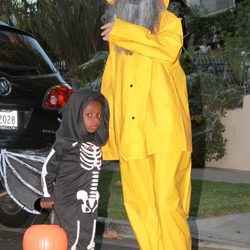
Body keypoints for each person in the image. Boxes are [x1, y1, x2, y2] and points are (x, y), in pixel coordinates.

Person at [100, 0, 192, 249]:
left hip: (166, 133)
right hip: (131, 135)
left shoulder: (169, 23)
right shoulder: (116, 36)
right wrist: (104, 131)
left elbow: (168, 51)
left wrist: (125, 32)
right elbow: (111, 84)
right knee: (140, 205)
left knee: (168, 202)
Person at [40, 89, 109, 250]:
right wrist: (46, 194)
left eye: (99, 116)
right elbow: (47, 168)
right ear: (76, 115)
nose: (96, 121)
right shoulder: (64, 142)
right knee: (72, 238)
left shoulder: (95, 143)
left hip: (89, 201)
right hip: (67, 200)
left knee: (88, 237)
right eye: (89, 115)